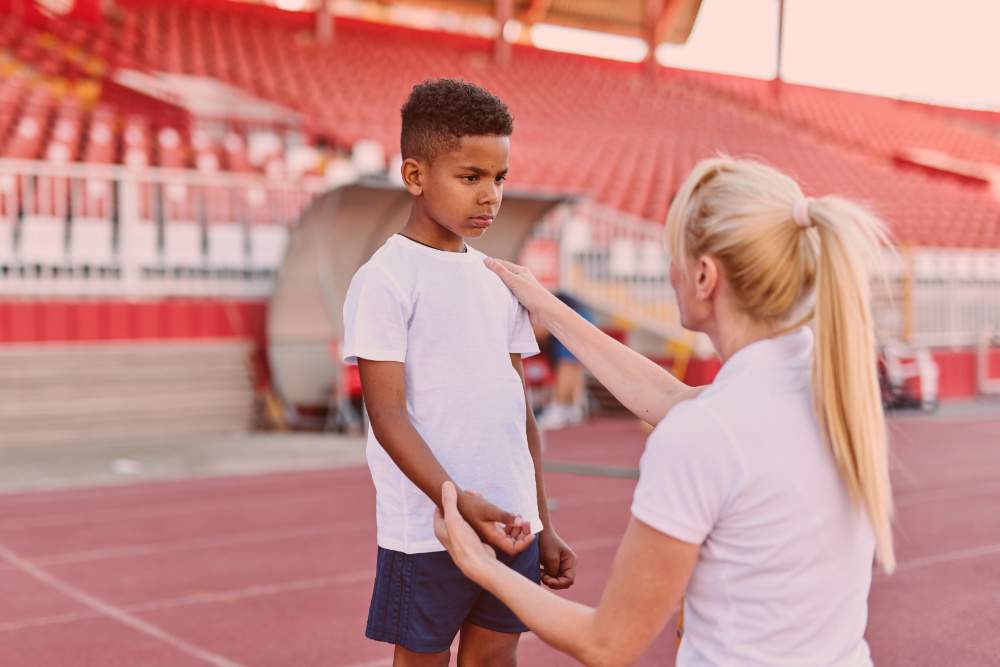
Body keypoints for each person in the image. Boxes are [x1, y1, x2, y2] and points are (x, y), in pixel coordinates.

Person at [434, 156, 896, 666]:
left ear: (703, 276)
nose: (668, 271)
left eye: (672, 256)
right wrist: (547, 306)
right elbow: (675, 401)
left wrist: (481, 565)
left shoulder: (706, 434)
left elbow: (607, 644)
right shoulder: (827, 386)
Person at [342, 79, 576, 667]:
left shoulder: (501, 280)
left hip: (512, 522)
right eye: (469, 178)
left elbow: (516, 409)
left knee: (496, 658)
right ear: (416, 176)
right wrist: (454, 501)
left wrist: (543, 520)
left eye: (499, 178)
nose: (489, 196)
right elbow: (387, 414)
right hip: (430, 530)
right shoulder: (386, 279)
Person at [534, 291, 594, 429]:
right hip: (581, 316)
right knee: (574, 365)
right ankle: (571, 407)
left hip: (575, 317)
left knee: (568, 364)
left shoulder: (541, 303)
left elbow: (540, 329)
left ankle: (558, 407)